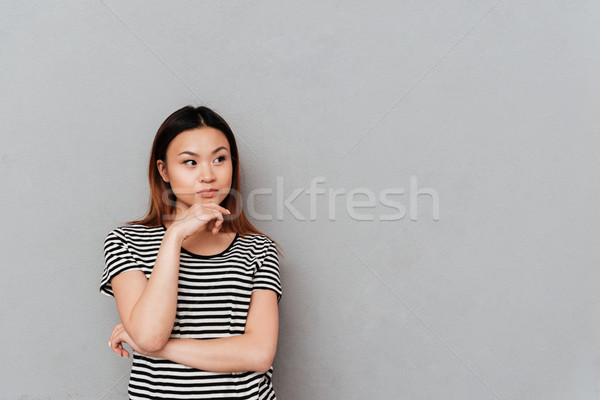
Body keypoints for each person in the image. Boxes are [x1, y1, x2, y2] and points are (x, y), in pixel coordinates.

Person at [99, 105, 283, 400]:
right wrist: (173, 237)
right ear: (164, 170)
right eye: (190, 162)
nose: (208, 175)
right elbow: (149, 335)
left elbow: (259, 354)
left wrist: (161, 350)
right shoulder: (126, 241)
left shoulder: (258, 249)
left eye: (219, 159)